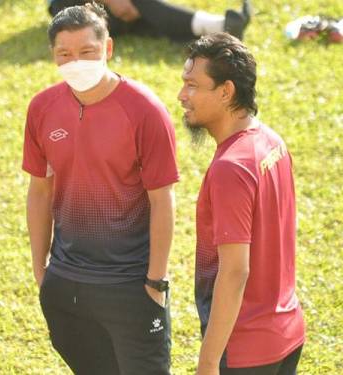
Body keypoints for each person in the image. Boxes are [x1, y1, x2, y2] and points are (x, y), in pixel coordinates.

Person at [23, 3, 178, 374]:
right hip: (66, 284)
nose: (75, 61)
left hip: (131, 286)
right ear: (53, 56)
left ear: (107, 49)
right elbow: (39, 191)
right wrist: (40, 268)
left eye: (87, 52)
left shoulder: (145, 110)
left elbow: (163, 200)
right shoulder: (42, 108)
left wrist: (155, 281)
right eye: (65, 54)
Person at [177, 33, 305, 374]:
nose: (182, 96)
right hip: (286, 332)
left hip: (246, 350)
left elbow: (234, 271)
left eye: (192, 85)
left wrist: (207, 361)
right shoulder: (270, 140)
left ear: (226, 91)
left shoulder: (230, 168)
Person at [48, 0, 252, 41]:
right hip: (69, 9)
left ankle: (213, 29)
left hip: (107, 13)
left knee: (143, 11)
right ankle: (217, 26)